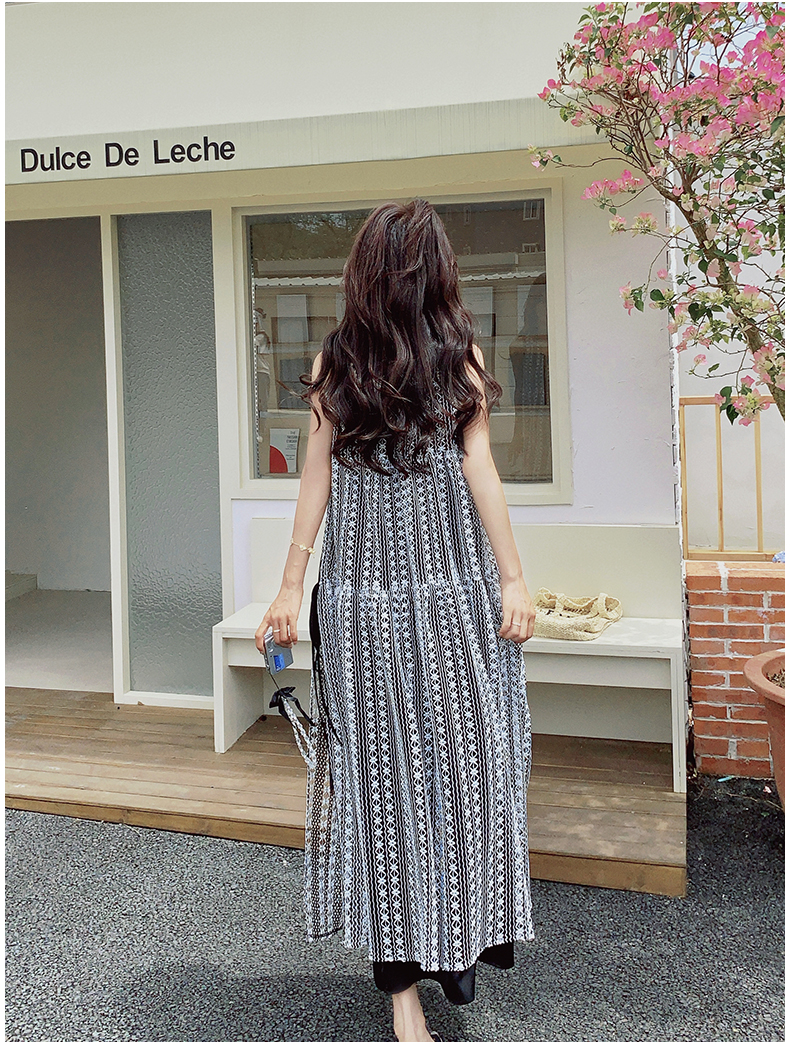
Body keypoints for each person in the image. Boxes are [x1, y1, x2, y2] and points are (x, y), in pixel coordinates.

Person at [255, 198, 536, 1043]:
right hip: (368, 601)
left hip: (448, 594)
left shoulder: (457, 355)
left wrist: (514, 578)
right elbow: (316, 478)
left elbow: (480, 468)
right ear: (431, 271)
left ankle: (453, 934)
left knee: (468, 765)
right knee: (383, 786)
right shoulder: (339, 361)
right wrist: (289, 585)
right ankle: (402, 992)